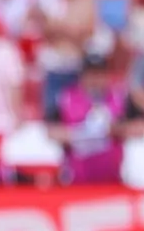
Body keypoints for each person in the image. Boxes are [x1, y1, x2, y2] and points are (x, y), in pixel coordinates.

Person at [47, 50, 129, 185]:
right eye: (91, 74)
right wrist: (81, 134)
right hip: (78, 179)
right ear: (82, 76)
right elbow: (51, 131)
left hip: (112, 180)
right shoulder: (67, 98)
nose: (95, 79)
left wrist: (112, 129)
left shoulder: (118, 98)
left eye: (99, 74)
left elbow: (134, 126)